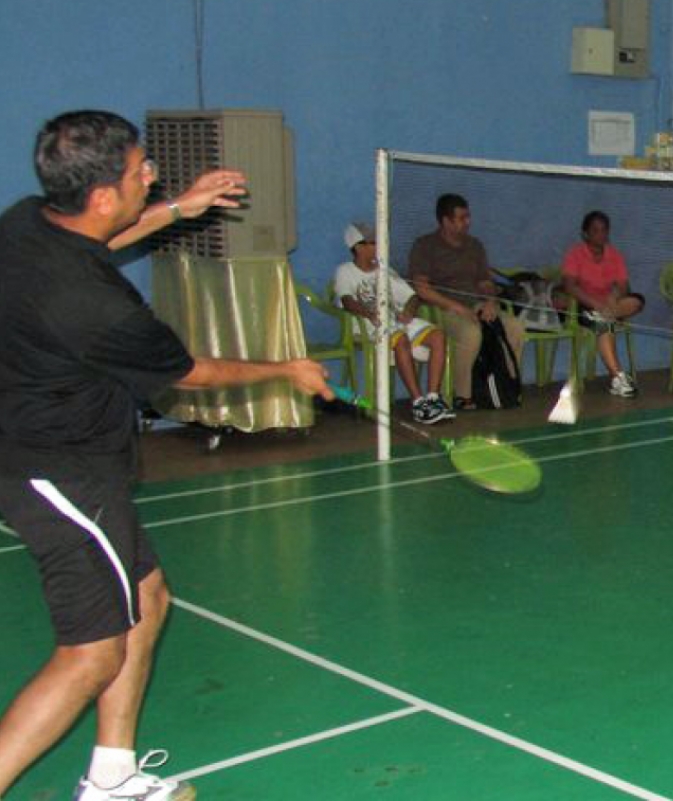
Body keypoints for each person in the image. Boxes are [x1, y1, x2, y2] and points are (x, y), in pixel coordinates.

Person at [0, 111, 332, 801]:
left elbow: (111, 234)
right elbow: (190, 374)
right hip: (58, 470)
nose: (151, 174)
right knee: (91, 653)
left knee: (147, 601)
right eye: (140, 172)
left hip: (50, 451)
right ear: (99, 193)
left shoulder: (29, 221)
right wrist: (287, 370)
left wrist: (178, 207)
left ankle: (111, 779)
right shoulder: (93, 306)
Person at [407, 193, 525, 410]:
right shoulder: (425, 246)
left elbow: (485, 283)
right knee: (471, 332)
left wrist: (490, 301)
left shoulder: (475, 246)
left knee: (515, 328)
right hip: (443, 309)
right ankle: (462, 395)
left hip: (477, 305)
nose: (467, 222)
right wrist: (457, 307)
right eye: (461, 218)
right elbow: (422, 289)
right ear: (445, 221)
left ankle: (507, 385)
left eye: (468, 217)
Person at [333, 223, 454, 424]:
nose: (378, 246)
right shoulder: (345, 271)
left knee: (438, 336)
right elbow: (347, 300)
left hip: (395, 320)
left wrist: (409, 310)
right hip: (369, 325)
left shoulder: (385, 270)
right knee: (401, 340)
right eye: (372, 243)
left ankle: (433, 398)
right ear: (358, 247)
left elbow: (412, 296)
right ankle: (418, 403)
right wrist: (368, 313)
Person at [560, 210, 645, 397]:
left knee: (637, 301)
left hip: (609, 306)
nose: (601, 235)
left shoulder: (615, 255)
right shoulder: (575, 254)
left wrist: (613, 298)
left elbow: (623, 285)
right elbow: (570, 286)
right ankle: (617, 377)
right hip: (583, 307)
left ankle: (605, 315)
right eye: (596, 230)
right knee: (604, 324)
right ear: (585, 233)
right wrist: (595, 304)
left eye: (604, 230)